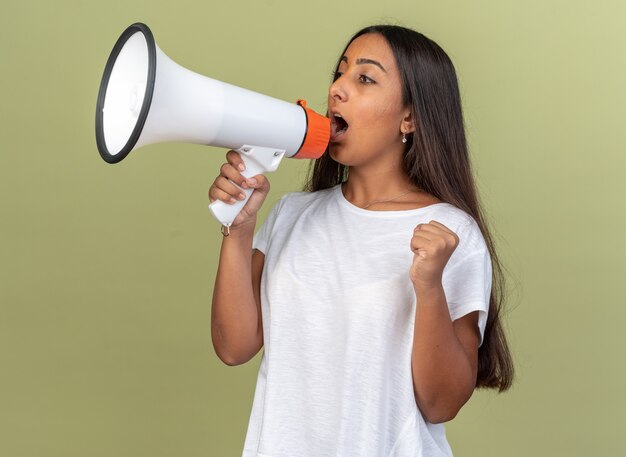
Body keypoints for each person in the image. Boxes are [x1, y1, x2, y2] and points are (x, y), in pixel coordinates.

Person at [209, 24, 514, 457]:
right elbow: (233, 346)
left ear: (409, 116)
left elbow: (442, 403)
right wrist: (237, 230)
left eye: (364, 78)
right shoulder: (291, 216)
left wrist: (428, 287)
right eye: (339, 73)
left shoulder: (452, 232)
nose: (337, 89)